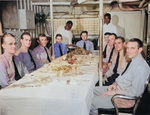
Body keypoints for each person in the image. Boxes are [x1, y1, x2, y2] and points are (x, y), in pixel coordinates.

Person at [90, 38, 150, 115]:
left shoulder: (141, 67)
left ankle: (95, 109)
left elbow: (135, 92)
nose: (128, 51)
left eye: (132, 48)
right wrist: (114, 84)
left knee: (90, 102)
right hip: (119, 89)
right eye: (128, 48)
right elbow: (122, 76)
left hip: (124, 99)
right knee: (91, 91)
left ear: (140, 49)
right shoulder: (133, 60)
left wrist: (114, 92)